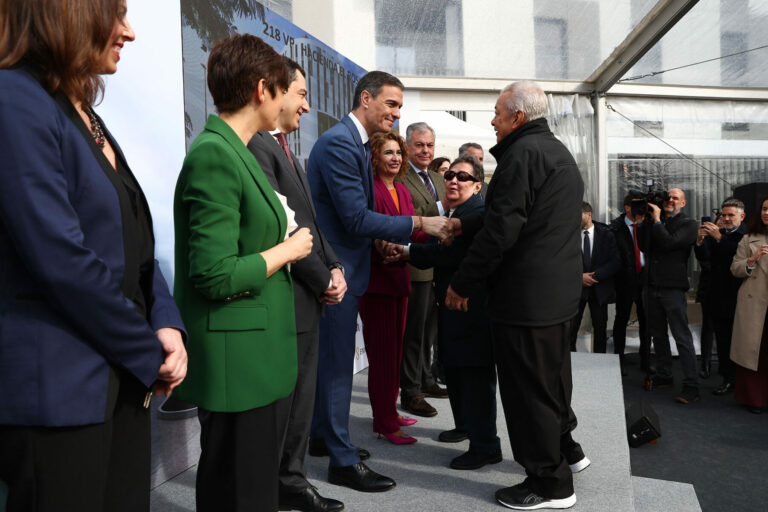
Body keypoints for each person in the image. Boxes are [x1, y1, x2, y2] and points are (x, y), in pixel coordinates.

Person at [0, 2, 187, 510]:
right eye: (116, 13)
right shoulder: (15, 99)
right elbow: (62, 261)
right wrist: (148, 351)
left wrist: (167, 323)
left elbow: (137, 243)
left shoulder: (85, 113)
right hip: (60, 398)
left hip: (121, 380)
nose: (129, 32)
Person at [173, 35, 314, 512]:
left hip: (255, 357)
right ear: (261, 89)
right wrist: (287, 251)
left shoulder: (236, 149)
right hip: (239, 364)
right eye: (284, 89)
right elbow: (213, 274)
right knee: (240, 492)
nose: (291, 101)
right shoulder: (215, 154)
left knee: (249, 489)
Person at [445, 81, 587, 510]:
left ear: (517, 117)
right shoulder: (555, 151)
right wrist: (464, 224)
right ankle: (567, 452)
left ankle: (549, 483)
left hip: (526, 300)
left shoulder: (521, 155)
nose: (492, 120)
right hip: (555, 296)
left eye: (497, 112)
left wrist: (462, 283)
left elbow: (501, 230)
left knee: (529, 395)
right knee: (552, 385)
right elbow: (518, 212)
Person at [306, 71, 450, 493]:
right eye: (391, 104)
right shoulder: (339, 143)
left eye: (399, 107)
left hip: (350, 267)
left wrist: (382, 241)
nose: (396, 113)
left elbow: (353, 218)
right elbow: (353, 217)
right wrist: (420, 222)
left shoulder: (354, 144)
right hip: (337, 273)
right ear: (366, 99)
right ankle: (342, 460)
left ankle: (323, 437)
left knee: (332, 363)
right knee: (336, 367)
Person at [247, 57, 345, 512]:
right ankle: (279, 484)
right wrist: (324, 279)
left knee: (302, 399)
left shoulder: (284, 147)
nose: (306, 106)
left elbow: (310, 223)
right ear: (275, 90)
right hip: (289, 295)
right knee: (284, 404)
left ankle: (290, 480)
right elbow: (281, 232)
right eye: (302, 94)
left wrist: (335, 266)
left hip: (309, 293)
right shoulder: (256, 147)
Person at [406, 154, 502, 470]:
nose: (454, 181)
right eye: (449, 176)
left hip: (473, 310)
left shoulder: (477, 214)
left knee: (475, 377)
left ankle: (485, 445)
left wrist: (405, 251)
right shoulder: (458, 212)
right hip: (453, 308)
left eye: (463, 177)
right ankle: (465, 427)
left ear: (477, 186)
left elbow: (448, 255)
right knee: (457, 371)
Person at [359, 131, 429, 446]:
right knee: (383, 357)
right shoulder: (369, 188)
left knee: (395, 354)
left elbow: (413, 231)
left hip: (400, 279)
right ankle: (384, 423)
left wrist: (443, 231)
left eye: (399, 153)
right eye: (388, 152)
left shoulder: (402, 189)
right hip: (377, 282)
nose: (396, 158)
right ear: (375, 156)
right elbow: (364, 230)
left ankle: (390, 410)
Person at [398, 122, 449, 419]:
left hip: (438, 266)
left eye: (430, 145)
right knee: (414, 333)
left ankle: (427, 379)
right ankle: (411, 390)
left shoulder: (439, 179)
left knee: (430, 332)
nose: (426, 150)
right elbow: (409, 218)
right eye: (419, 145)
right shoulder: (399, 177)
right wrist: (439, 212)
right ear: (407, 146)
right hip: (415, 266)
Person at [641, 188, 700, 404]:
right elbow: (644, 245)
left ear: (683, 203)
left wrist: (657, 221)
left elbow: (669, 243)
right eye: (668, 197)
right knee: (658, 335)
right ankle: (664, 375)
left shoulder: (689, 224)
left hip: (673, 288)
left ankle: (692, 385)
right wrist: (647, 220)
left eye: (676, 198)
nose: (670, 200)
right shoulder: (654, 221)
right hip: (652, 286)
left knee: (681, 336)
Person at [695, 200, 745, 395]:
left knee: (740, 341)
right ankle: (727, 378)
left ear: (742, 216)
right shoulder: (719, 234)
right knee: (723, 341)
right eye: (723, 215)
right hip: (717, 295)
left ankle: (743, 381)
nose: (726, 219)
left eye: (731, 215)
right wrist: (700, 241)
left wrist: (719, 238)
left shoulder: (747, 235)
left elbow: (737, 257)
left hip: (740, 297)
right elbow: (704, 257)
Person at [729, 198, 768, 414]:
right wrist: (752, 260)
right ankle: (754, 399)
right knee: (755, 352)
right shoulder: (748, 238)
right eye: (764, 208)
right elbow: (735, 268)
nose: (766, 213)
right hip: (754, 304)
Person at [570, 201, 620, 353]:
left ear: (589, 214)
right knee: (570, 330)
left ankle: (600, 361)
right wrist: (579, 277)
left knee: (600, 329)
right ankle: (570, 361)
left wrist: (595, 276)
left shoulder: (606, 234)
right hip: (576, 290)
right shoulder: (569, 235)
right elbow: (563, 261)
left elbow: (615, 262)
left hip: (599, 289)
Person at [609, 192, 650, 374]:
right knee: (621, 319)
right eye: (636, 204)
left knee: (646, 320)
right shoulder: (615, 229)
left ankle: (646, 359)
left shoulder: (648, 226)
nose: (640, 208)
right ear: (627, 207)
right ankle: (619, 358)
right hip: (624, 280)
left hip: (646, 280)